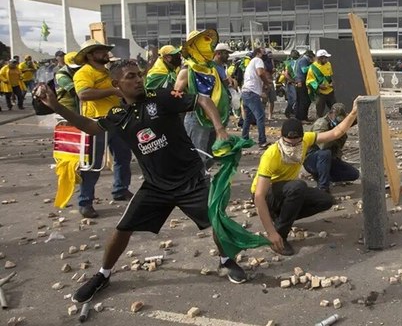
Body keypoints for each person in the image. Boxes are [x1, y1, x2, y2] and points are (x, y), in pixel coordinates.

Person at [35, 59, 248, 304]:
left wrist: (220, 129)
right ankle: (103, 274)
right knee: (122, 228)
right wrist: (55, 106)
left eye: (139, 75)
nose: (138, 79)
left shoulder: (162, 96)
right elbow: (90, 127)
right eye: (130, 77)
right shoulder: (117, 114)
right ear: (116, 84)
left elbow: (201, 99)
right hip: (156, 186)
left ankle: (226, 260)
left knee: (217, 220)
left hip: (191, 179)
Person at [252, 105, 358, 256]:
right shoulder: (271, 155)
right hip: (267, 196)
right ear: (281, 138)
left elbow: (336, 132)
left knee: (325, 200)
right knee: (298, 187)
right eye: (288, 143)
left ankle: (280, 218)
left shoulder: (307, 140)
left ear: (302, 139)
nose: (293, 147)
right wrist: (271, 233)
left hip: (287, 191)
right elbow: (258, 196)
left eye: (296, 143)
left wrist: (353, 112)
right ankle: (280, 236)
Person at [73, 39, 133, 218]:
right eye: (100, 51)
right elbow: (83, 94)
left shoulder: (107, 72)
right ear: (90, 55)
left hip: (116, 119)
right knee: (92, 164)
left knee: (123, 156)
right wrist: (113, 92)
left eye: (105, 50)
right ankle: (85, 201)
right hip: (96, 122)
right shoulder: (85, 72)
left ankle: (121, 189)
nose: (105, 54)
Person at [175, 30, 231, 169]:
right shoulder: (187, 70)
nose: (209, 46)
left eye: (209, 42)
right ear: (195, 47)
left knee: (211, 153)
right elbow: (175, 95)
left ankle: (202, 178)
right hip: (197, 117)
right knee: (197, 156)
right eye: (204, 43)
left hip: (215, 116)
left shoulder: (211, 69)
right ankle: (196, 185)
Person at [303, 103, 359, 193]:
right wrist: (337, 133)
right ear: (331, 114)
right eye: (338, 120)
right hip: (313, 159)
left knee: (353, 174)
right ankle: (323, 188)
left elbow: (350, 122)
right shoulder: (321, 124)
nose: (340, 122)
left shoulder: (336, 123)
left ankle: (324, 175)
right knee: (325, 153)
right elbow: (323, 145)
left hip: (329, 160)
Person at [241, 47, 271, 148]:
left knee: (248, 118)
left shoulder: (250, 63)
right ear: (258, 53)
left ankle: (244, 139)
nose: (265, 54)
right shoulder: (258, 60)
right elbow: (260, 73)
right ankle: (262, 141)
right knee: (260, 116)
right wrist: (267, 83)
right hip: (251, 92)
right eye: (263, 52)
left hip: (246, 91)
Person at [306, 49, 336, 118]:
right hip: (320, 93)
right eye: (325, 58)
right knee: (320, 110)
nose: (327, 59)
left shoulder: (328, 64)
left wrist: (332, 82)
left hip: (330, 91)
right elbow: (309, 81)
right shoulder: (313, 67)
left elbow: (330, 75)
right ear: (320, 58)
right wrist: (319, 86)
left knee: (334, 108)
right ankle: (319, 124)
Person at [293, 50, 315, 122]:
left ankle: (300, 117)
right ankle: (302, 117)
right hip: (301, 82)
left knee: (301, 100)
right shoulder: (304, 60)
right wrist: (312, 65)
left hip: (300, 82)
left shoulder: (301, 60)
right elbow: (304, 70)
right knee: (304, 100)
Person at [283, 50, 300, 118]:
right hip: (291, 83)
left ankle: (292, 112)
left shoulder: (293, 63)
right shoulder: (289, 63)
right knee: (293, 99)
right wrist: (292, 81)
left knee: (295, 99)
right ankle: (288, 112)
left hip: (293, 82)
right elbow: (286, 74)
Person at [261, 48, 276, 120]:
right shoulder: (263, 62)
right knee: (264, 100)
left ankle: (270, 115)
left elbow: (273, 70)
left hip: (270, 81)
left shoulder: (270, 62)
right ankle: (262, 115)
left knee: (272, 100)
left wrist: (272, 61)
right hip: (265, 82)